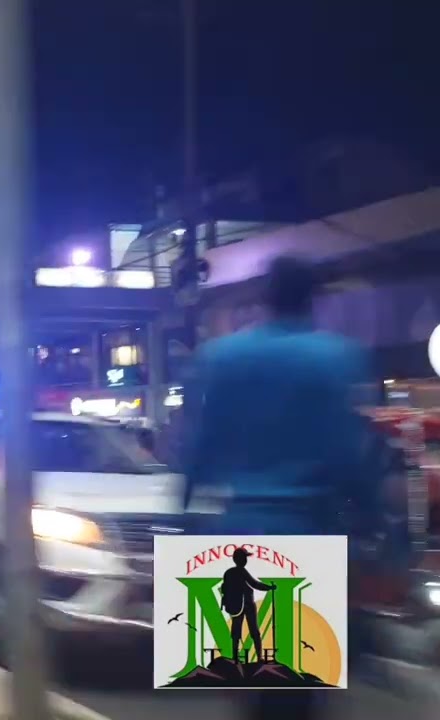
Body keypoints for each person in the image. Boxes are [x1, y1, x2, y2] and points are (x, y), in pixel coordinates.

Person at [182, 256, 377, 719]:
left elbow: (198, 446)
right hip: (310, 530)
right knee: (303, 682)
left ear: (265, 299)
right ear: (311, 300)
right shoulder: (338, 356)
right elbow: (350, 452)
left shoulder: (220, 356)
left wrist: (184, 514)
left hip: (236, 530)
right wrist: (371, 521)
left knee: (243, 677)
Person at [219, 548, 277, 664]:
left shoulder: (228, 573)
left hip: (235, 606)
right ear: (240, 559)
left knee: (236, 631)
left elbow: (225, 589)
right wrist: (269, 588)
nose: (246, 560)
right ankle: (259, 657)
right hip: (247, 604)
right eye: (244, 558)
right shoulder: (241, 571)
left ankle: (235, 657)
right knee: (254, 631)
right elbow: (254, 584)